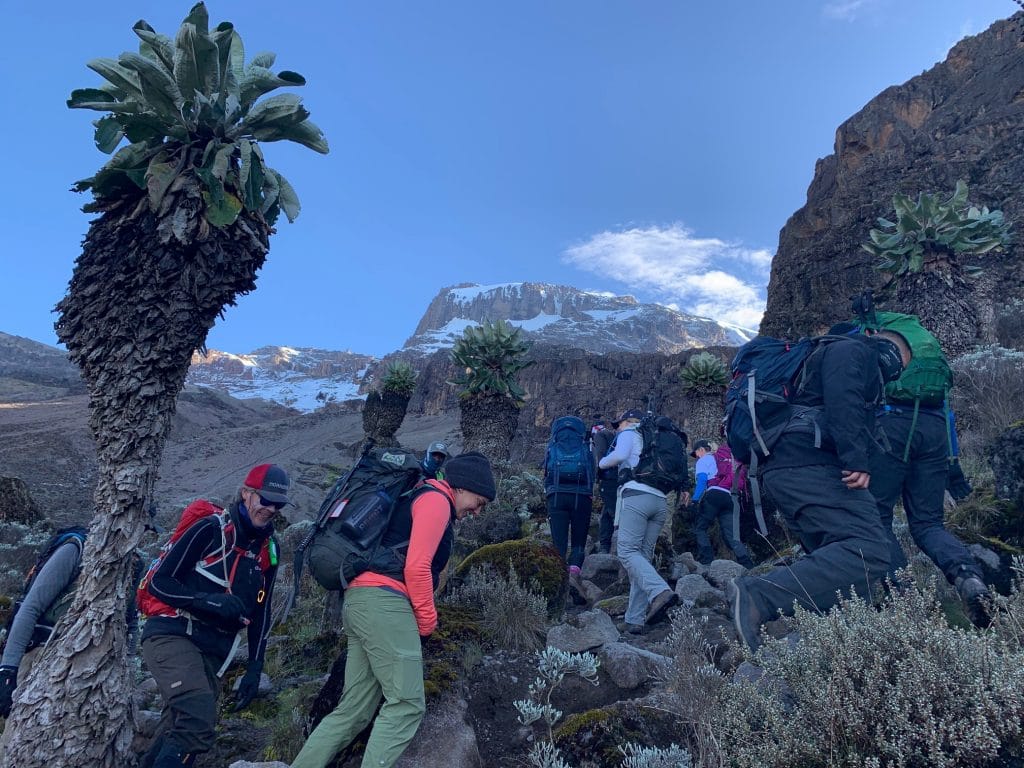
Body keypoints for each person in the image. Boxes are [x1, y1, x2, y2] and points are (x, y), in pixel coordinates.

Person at [291, 452, 496, 768]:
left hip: (360, 603)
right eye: (478, 501)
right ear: (462, 486)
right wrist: (427, 622)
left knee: (353, 711)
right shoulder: (436, 500)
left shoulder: (417, 495)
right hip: (385, 604)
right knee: (407, 704)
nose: (477, 511)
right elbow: (417, 567)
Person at [728, 333, 908, 652]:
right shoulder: (851, 349)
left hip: (781, 468)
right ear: (886, 350)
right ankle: (760, 595)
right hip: (809, 462)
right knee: (868, 549)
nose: (897, 372)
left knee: (837, 563)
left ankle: (839, 647)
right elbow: (844, 397)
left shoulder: (813, 358)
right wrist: (856, 459)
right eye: (901, 361)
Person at [139, 464, 289, 768]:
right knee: (198, 721)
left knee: (177, 727)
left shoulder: (268, 550)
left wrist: (254, 668)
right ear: (246, 494)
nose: (271, 509)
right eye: (265, 499)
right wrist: (209, 602)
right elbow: (160, 582)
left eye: (279, 503)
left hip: (212, 650)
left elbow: (261, 608)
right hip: (172, 633)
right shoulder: (211, 529)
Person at [865, 332, 991, 626]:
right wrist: (953, 462)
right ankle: (969, 579)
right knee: (928, 523)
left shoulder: (868, 337)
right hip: (934, 429)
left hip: (891, 428)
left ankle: (906, 599)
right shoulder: (925, 353)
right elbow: (947, 411)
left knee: (876, 518)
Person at [598, 409, 679, 634]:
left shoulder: (631, 432)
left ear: (627, 422)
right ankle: (634, 619)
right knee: (641, 558)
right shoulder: (657, 438)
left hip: (636, 496)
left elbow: (619, 456)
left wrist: (602, 463)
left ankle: (660, 591)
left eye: (618, 424)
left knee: (626, 552)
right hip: (660, 500)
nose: (617, 429)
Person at [691, 441, 754, 568]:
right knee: (731, 535)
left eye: (696, 453)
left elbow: (703, 479)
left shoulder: (704, 460)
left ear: (702, 449)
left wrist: (695, 499)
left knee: (700, 528)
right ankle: (748, 565)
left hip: (714, 494)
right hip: (730, 496)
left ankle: (706, 562)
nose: (697, 456)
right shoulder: (722, 458)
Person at [590, 420, 619, 554]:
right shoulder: (614, 436)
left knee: (611, 512)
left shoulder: (600, 436)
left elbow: (600, 459)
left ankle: (608, 547)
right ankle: (605, 545)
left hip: (609, 479)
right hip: (620, 478)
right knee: (607, 512)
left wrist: (597, 477)